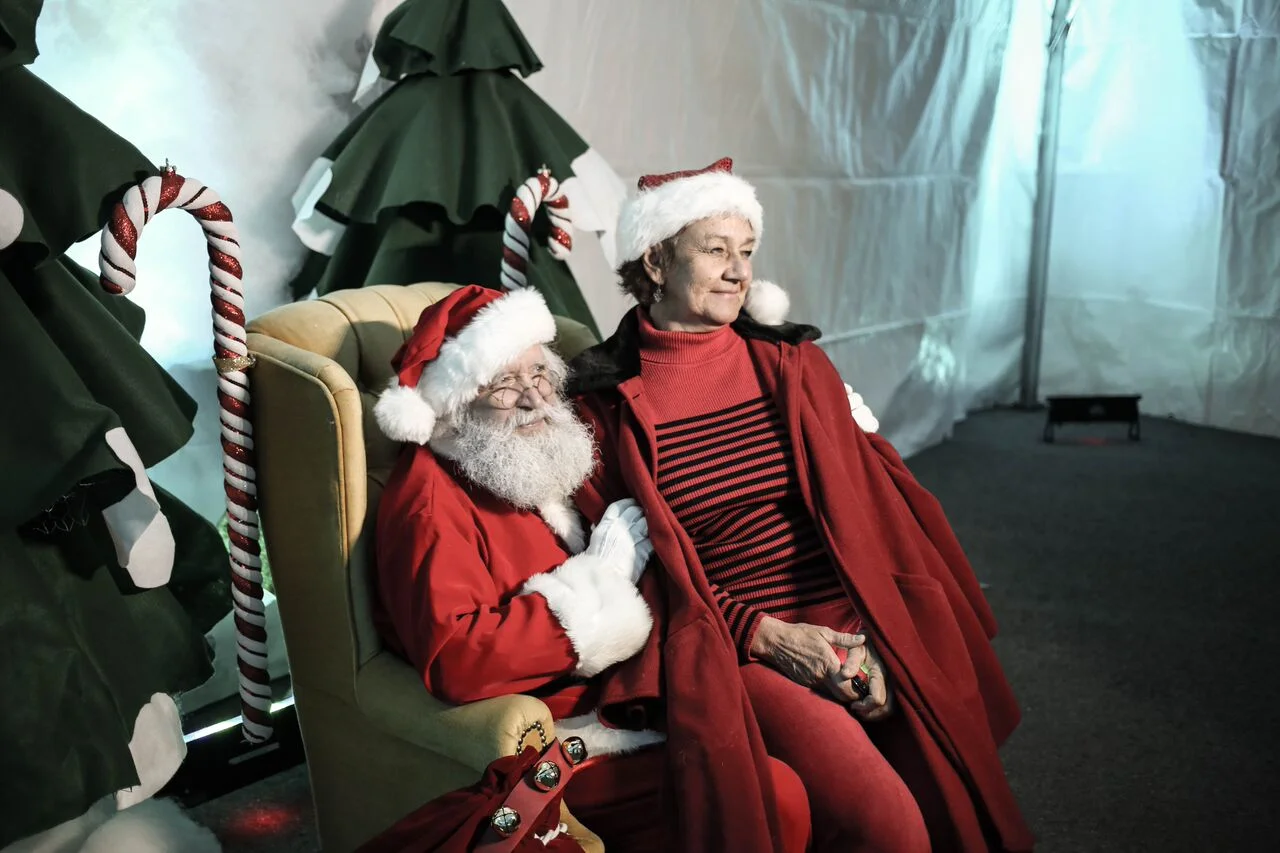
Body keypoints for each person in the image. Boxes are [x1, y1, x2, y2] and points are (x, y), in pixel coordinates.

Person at [567, 158, 1037, 853]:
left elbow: (870, 522)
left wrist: (878, 639)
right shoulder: (604, 405)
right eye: (716, 251)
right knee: (892, 827)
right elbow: (644, 579)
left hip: (856, 623)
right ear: (656, 261)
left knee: (951, 804)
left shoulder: (791, 364)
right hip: (743, 645)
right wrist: (769, 637)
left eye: (747, 251)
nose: (738, 272)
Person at [370, 284, 811, 853]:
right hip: (567, 738)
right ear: (455, 405)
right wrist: (596, 589)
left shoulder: (549, 448)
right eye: (503, 384)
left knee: (804, 740)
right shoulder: (430, 506)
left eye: (538, 373)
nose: (532, 398)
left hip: (645, 693)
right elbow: (456, 659)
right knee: (773, 797)